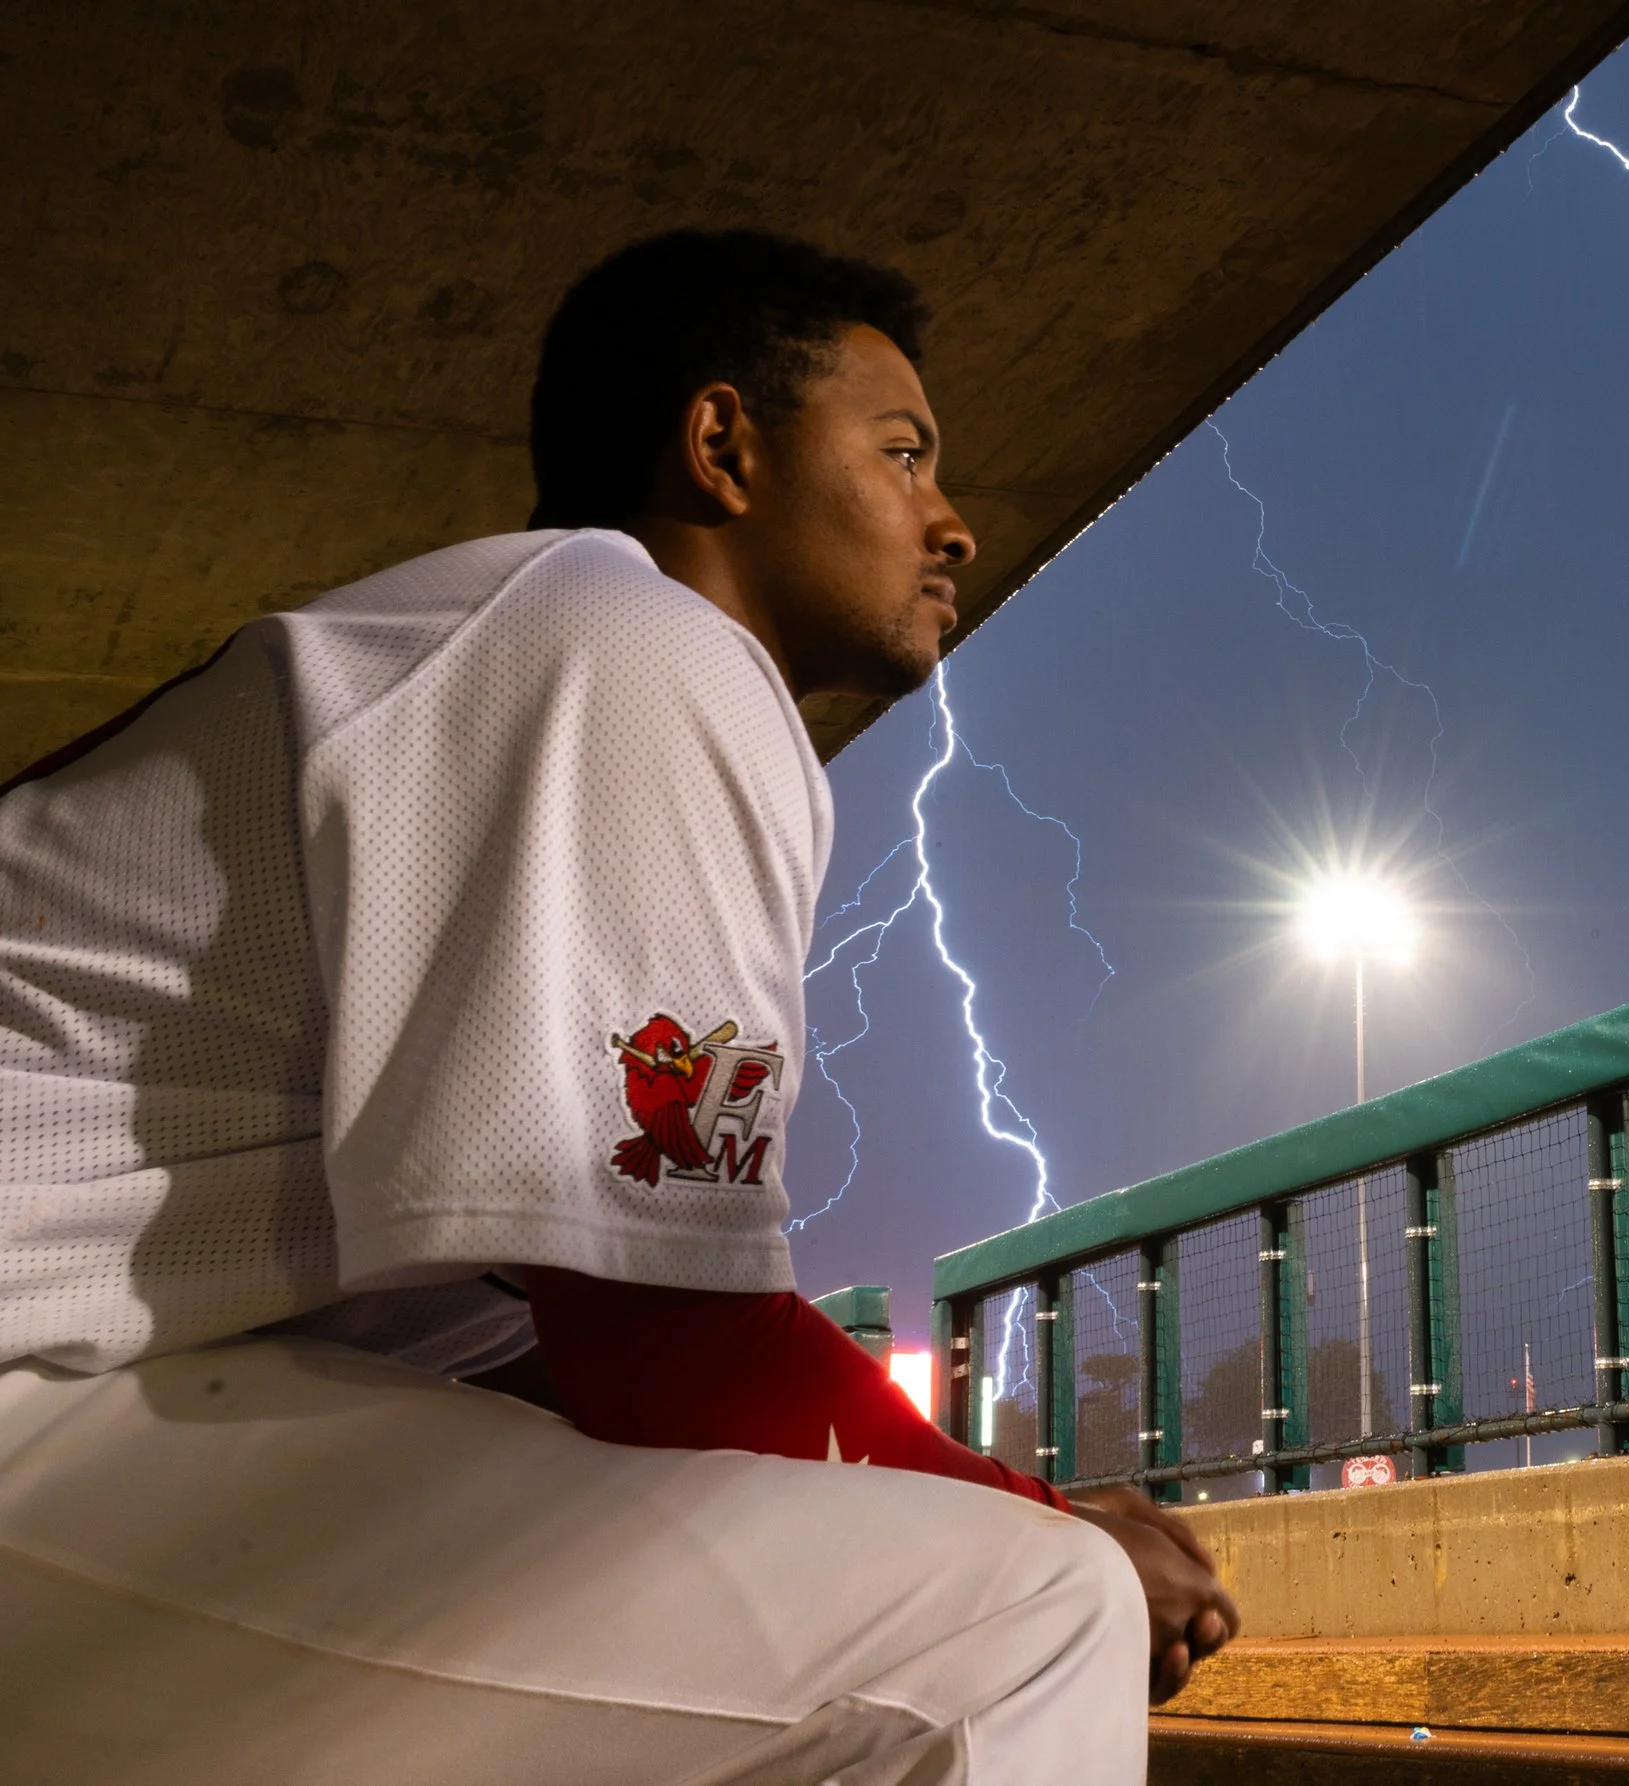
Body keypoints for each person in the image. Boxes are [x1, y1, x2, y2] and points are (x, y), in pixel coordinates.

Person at [0, 228, 1235, 1783]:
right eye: (904, 450)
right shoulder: (627, 631)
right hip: (36, 1397)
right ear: (723, 444)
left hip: (89, 1406)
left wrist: (963, 1491)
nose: (956, 523)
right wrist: (1049, 1522)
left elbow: (544, 1359)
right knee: (1033, 1613)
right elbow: (666, 1343)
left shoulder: (505, 651)